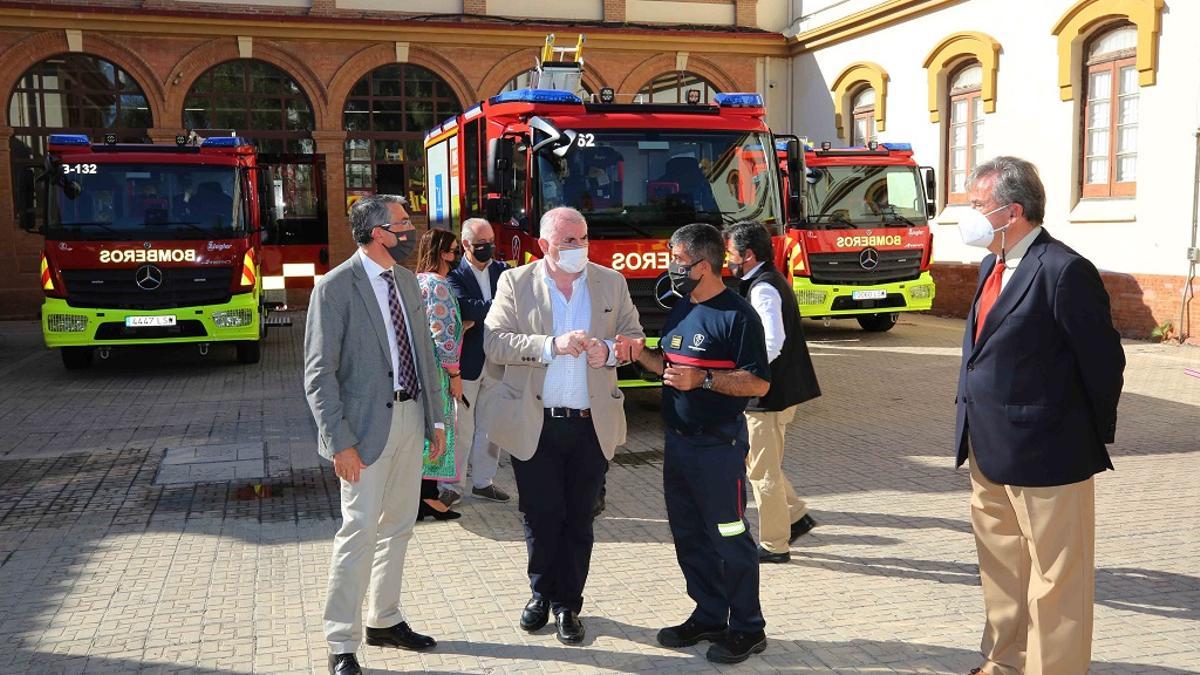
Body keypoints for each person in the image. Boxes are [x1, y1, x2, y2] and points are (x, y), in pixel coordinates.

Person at [953, 157, 1124, 675]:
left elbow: (1104, 362)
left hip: (1049, 454)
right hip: (988, 447)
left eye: (979, 205)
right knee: (1002, 567)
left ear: (1014, 211)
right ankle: (1004, 662)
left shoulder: (1064, 270)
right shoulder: (992, 265)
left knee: (1057, 579)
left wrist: (1077, 434)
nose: (971, 215)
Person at [483, 206, 643, 645]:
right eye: (568, 241)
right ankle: (541, 594)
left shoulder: (610, 281)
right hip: (536, 424)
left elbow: (635, 337)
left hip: (591, 425)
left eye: (583, 239)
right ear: (544, 245)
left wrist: (611, 351)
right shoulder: (515, 283)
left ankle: (568, 604)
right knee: (540, 515)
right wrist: (550, 345)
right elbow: (494, 342)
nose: (578, 248)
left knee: (579, 518)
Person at [304, 194, 447, 675]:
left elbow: (423, 356)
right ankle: (340, 641)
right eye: (403, 223)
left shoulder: (405, 280)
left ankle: (384, 620)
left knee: (400, 526)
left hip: (410, 421)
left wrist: (437, 421)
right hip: (362, 433)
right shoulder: (334, 287)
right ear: (379, 233)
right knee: (359, 532)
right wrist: (339, 442)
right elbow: (319, 374)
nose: (412, 230)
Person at [620, 222, 771, 664]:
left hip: (718, 450)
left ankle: (748, 627)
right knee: (689, 537)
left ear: (703, 266)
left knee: (729, 537)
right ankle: (709, 614)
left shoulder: (738, 316)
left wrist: (703, 379)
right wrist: (638, 354)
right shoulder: (682, 307)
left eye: (678, 262)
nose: (671, 268)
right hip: (679, 447)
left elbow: (759, 383)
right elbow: (667, 366)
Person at [723, 221, 822, 564]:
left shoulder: (763, 289)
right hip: (769, 395)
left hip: (767, 396)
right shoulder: (763, 281)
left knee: (762, 473)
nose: (728, 259)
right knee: (760, 463)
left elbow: (772, 342)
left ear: (748, 255)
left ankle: (775, 544)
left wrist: (744, 373)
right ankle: (794, 516)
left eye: (731, 253)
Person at [442, 217, 511, 506]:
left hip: (497, 361)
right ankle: (452, 486)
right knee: (461, 428)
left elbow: (509, 305)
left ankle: (484, 482)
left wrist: (482, 310)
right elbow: (462, 307)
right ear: (467, 245)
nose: (489, 248)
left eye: (491, 243)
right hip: (467, 364)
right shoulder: (453, 276)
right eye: (482, 244)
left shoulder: (503, 271)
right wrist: (500, 305)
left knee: (491, 427)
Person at [414, 228, 466, 522]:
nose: (456, 256)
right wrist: (455, 374)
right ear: (441, 253)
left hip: (419, 370)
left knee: (425, 433)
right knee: (439, 431)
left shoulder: (417, 281)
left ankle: (421, 497)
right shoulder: (439, 285)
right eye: (453, 250)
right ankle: (429, 498)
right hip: (437, 371)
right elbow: (443, 334)